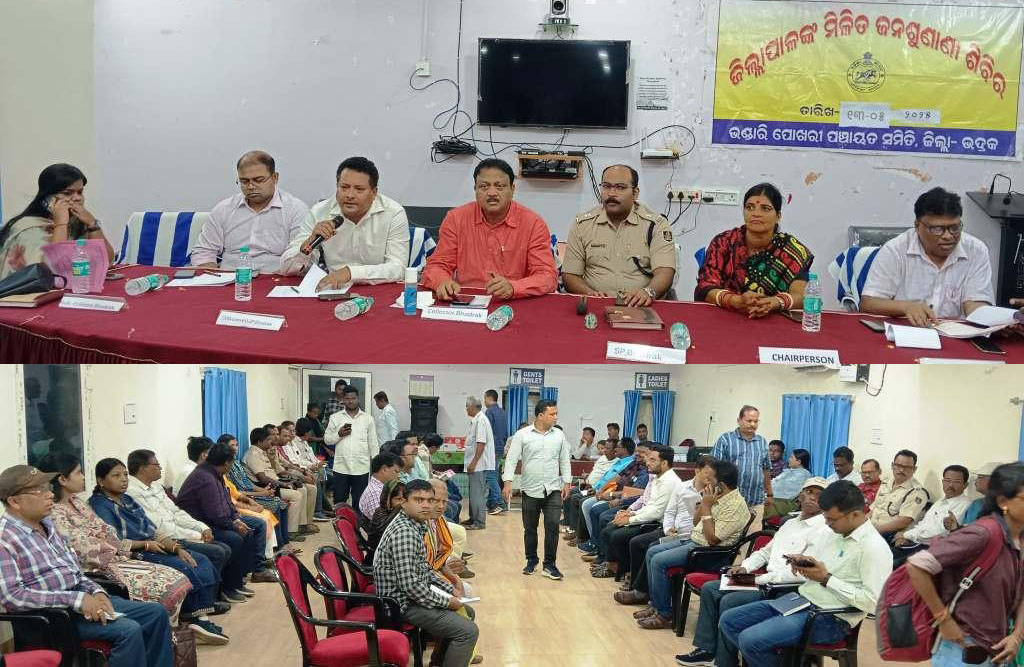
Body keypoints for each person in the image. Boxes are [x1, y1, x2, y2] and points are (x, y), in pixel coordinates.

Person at [0, 465, 174, 667]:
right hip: (52, 617)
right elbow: (12, 596)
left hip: (79, 602)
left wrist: (97, 592)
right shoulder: (5, 539)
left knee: (155, 613)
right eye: (39, 491)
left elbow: (74, 571)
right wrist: (76, 599)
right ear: (15, 501)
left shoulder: (48, 525)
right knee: (128, 630)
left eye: (48, 487)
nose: (50, 494)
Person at [719, 481, 893, 667]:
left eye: (832, 519)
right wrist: (805, 562)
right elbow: (824, 566)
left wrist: (826, 579)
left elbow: (874, 602)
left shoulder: (874, 548)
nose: (827, 524)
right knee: (729, 621)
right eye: (825, 518)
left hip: (831, 618)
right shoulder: (835, 533)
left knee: (750, 640)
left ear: (856, 514)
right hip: (801, 601)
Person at [677, 477, 831, 667]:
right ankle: (707, 650)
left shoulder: (824, 530)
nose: (812, 497)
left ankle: (725, 662)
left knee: (730, 601)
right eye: (808, 492)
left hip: (784, 588)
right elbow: (765, 552)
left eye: (819, 495)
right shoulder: (790, 523)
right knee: (711, 588)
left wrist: (757, 579)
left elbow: (798, 574)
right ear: (800, 495)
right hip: (763, 580)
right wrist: (746, 567)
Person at [87, 458, 229, 644]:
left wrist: (176, 548)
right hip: (131, 552)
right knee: (183, 567)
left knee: (200, 559)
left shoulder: (127, 500)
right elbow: (113, 542)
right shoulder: (99, 505)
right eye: (116, 475)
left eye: (125, 475)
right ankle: (196, 619)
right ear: (101, 481)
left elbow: (152, 529)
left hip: (154, 544)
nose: (123, 479)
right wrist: (146, 544)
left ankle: (198, 616)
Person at [38, 453, 192, 620]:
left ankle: (167, 627)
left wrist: (110, 542)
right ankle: (158, 626)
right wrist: (117, 545)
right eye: (78, 473)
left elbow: (106, 530)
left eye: (125, 474)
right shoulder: (54, 511)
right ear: (62, 479)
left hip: (115, 557)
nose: (83, 477)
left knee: (177, 576)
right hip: (95, 568)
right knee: (167, 585)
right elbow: (82, 547)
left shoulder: (77, 502)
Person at [905, 462, 1024, 667]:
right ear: (1004, 502)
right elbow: (916, 566)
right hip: (962, 647)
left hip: (998, 647)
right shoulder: (983, 533)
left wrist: (1017, 636)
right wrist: (944, 620)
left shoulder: (1018, 539)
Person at [373, 479, 479, 667]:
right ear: (404, 502)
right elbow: (411, 587)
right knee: (468, 631)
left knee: (467, 612)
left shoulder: (415, 525)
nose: (426, 505)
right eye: (418, 500)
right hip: (400, 605)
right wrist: (447, 601)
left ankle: (438, 662)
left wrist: (450, 589)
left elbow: (425, 568)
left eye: (430, 500)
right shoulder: (405, 533)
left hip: (410, 597)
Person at [421, 158, 558, 300]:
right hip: (465, 300)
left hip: (514, 301)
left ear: (512, 189)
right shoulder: (456, 219)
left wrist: (514, 287)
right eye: (484, 186)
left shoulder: (533, 224)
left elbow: (547, 276)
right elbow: (437, 266)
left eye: (499, 186)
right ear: (475, 189)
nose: (492, 193)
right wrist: (442, 282)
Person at [635, 460, 749, 630]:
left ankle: (665, 615)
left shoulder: (735, 506)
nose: (706, 482)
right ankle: (657, 605)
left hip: (708, 553)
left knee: (658, 561)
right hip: (694, 540)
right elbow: (696, 523)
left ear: (722, 485)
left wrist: (707, 507)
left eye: (710, 480)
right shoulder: (716, 495)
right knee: (652, 551)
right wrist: (703, 503)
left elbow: (712, 540)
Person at [860, 187, 993, 325]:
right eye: (938, 229)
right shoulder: (895, 250)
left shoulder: (976, 250)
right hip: (907, 330)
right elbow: (868, 303)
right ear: (917, 226)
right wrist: (906, 307)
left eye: (954, 228)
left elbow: (975, 303)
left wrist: (992, 319)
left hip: (955, 332)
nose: (948, 236)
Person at [280, 156, 409, 288]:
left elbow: (398, 268)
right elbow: (286, 268)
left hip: (380, 288)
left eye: (359, 189)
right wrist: (309, 242)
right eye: (344, 187)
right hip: (332, 289)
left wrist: (350, 273)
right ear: (337, 186)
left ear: (374, 192)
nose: (349, 195)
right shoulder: (320, 212)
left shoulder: (393, 213)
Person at [563, 164, 677, 305]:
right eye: (606, 186)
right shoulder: (582, 224)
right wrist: (589, 293)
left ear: (635, 193)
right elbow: (570, 275)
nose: (611, 193)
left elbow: (665, 272)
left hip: (641, 305)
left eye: (620, 187)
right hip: (595, 304)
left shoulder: (656, 225)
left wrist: (648, 292)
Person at [695, 182, 813, 317]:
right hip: (725, 316)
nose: (756, 214)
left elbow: (801, 296)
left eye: (765, 208)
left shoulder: (791, 251)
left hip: (773, 320)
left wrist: (773, 302)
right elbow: (704, 287)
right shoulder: (724, 243)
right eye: (750, 207)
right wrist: (735, 301)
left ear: (778, 216)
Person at [125, 450, 234, 595]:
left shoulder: (156, 486)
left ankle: (215, 593)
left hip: (179, 532)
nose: (160, 468)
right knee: (218, 551)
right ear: (142, 468)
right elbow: (158, 526)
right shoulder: (131, 493)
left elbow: (176, 512)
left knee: (224, 548)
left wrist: (202, 528)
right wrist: (194, 534)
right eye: (156, 464)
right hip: (167, 539)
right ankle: (208, 596)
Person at [613, 454, 712, 606]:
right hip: (671, 531)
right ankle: (640, 588)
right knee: (641, 543)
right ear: (697, 471)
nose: (710, 478)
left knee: (648, 546)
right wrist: (667, 529)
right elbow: (669, 512)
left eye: (713, 475)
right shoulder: (682, 487)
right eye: (707, 473)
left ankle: (642, 592)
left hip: (691, 536)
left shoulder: (711, 493)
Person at [191, 150, 311, 273]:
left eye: (258, 180)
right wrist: (214, 275)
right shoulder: (224, 209)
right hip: (230, 277)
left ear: (275, 178)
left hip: (275, 277)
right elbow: (203, 252)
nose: (250, 187)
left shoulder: (295, 210)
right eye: (244, 181)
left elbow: (300, 256)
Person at [176, 443, 262, 605]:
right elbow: (214, 513)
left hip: (211, 521)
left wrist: (236, 519)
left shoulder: (215, 473)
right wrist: (234, 525)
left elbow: (227, 502)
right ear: (227, 463)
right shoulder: (205, 477)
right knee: (234, 538)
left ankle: (237, 582)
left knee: (248, 531)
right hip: (198, 524)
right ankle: (227, 588)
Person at [0, 163, 115, 279]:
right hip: (29, 290)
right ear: (47, 199)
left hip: (70, 287)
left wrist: (92, 224)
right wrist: (61, 224)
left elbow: (107, 262)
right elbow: (49, 272)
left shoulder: (76, 223)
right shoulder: (28, 228)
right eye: (67, 193)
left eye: (80, 192)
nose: (78, 198)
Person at [502, 399, 572, 580]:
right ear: (540, 415)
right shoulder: (522, 435)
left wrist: (567, 482)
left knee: (553, 527)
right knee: (530, 529)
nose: (555, 417)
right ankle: (531, 560)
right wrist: (508, 482)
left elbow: (564, 460)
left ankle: (550, 565)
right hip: (530, 489)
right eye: (552, 414)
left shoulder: (559, 435)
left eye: (556, 414)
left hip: (553, 489)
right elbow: (511, 459)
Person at [591, 444, 682, 580]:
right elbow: (645, 500)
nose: (648, 463)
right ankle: (617, 566)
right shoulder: (657, 477)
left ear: (664, 463)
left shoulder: (670, 481)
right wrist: (630, 513)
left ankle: (624, 570)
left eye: (652, 460)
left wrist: (630, 519)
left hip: (657, 523)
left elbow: (656, 512)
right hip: (647, 516)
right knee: (609, 528)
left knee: (617, 536)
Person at [243, 427, 315, 538]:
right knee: (297, 495)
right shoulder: (253, 454)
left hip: (276, 482)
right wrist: (283, 484)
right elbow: (263, 478)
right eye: (268, 440)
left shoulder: (263, 451)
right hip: (266, 487)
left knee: (303, 489)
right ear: (259, 442)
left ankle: (302, 525)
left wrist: (291, 479)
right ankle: (291, 531)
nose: (271, 441)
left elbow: (280, 467)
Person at [893, 465, 972, 561]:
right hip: (917, 542)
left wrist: (907, 535)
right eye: (947, 480)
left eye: (957, 482)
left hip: (931, 549)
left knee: (891, 562)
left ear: (965, 485)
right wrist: (905, 536)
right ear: (943, 482)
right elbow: (923, 524)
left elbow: (940, 533)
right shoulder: (940, 501)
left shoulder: (964, 504)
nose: (951, 485)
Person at [324, 385, 379, 507]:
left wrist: (376, 466)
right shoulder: (335, 418)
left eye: (353, 398)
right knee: (339, 502)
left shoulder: (368, 419)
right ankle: (340, 519)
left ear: (358, 399)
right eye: (347, 398)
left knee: (360, 503)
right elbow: (327, 440)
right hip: (341, 467)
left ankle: (357, 520)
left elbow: (373, 443)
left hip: (361, 467)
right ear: (343, 399)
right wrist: (339, 434)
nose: (350, 401)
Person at [711, 405, 771, 510]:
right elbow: (713, 468)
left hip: (756, 500)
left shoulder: (762, 442)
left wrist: (770, 494)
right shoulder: (726, 439)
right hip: (728, 501)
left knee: (756, 522)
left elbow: (766, 469)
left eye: (756, 421)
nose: (753, 424)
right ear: (739, 420)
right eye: (749, 421)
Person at [869, 449, 929, 540]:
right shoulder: (886, 482)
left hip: (887, 534)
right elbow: (874, 509)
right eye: (898, 465)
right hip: (871, 527)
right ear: (892, 465)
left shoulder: (917, 492)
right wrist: (860, 524)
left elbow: (903, 522)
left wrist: (873, 532)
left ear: (914, 469)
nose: (901, 470)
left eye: (907, 467)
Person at [463, 396, 495, 531]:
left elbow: (481, 443)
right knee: (473, 494)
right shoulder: (476, 420)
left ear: (472, 407)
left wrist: (474, 462)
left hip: (479, 465)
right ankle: (473, 518)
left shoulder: (481, 420)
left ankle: (479, 521)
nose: (466, 409)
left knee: (477, 494)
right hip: (475, 464)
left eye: (467, 406)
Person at [764, 448, 813, 519]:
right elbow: (774, 481)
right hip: (774, 498)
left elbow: (785, 491)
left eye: (791, 457)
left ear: (798, 462)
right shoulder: (789, 471)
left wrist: (768, 493)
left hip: (786, 502)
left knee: (759, 507)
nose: (789, 459)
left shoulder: (803, 475)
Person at [483, 389, 508, 515]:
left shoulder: (489, 412)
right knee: (495, 475)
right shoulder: (503, 412)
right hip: (500, 447)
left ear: (489, 398)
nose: (484, 402)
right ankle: (492, 503)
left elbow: (486, 432)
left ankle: (500, 503)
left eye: (485, 399)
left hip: (491, 449)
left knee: (490, 476)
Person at [365, 480, 406, 557]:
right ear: (387, 499)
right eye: (399, 499)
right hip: (377, 558)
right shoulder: (380, 513)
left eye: (405, 499)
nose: (402, 503)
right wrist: (400, 508)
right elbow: (386, 532)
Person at [360, 452, 403, 521]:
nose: (399, 476)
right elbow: (381, 522)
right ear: (384, 469)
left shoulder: (378, 489)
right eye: (396, 471)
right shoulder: (375, 493)